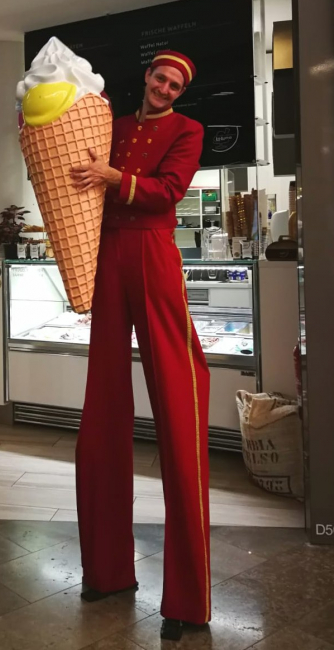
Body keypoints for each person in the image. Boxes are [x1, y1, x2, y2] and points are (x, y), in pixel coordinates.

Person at [70, 50, 211, 642]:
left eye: (175, 85)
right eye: (161, 78)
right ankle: (106, 571)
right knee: (102, 407)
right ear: (147, 77)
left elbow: (167, 191)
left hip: (154, 254)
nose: (166, 89)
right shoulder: (115, 124)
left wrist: (112, 180)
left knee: (179, 405)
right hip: (107, 255)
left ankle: (187, 600)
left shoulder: (188, 130)